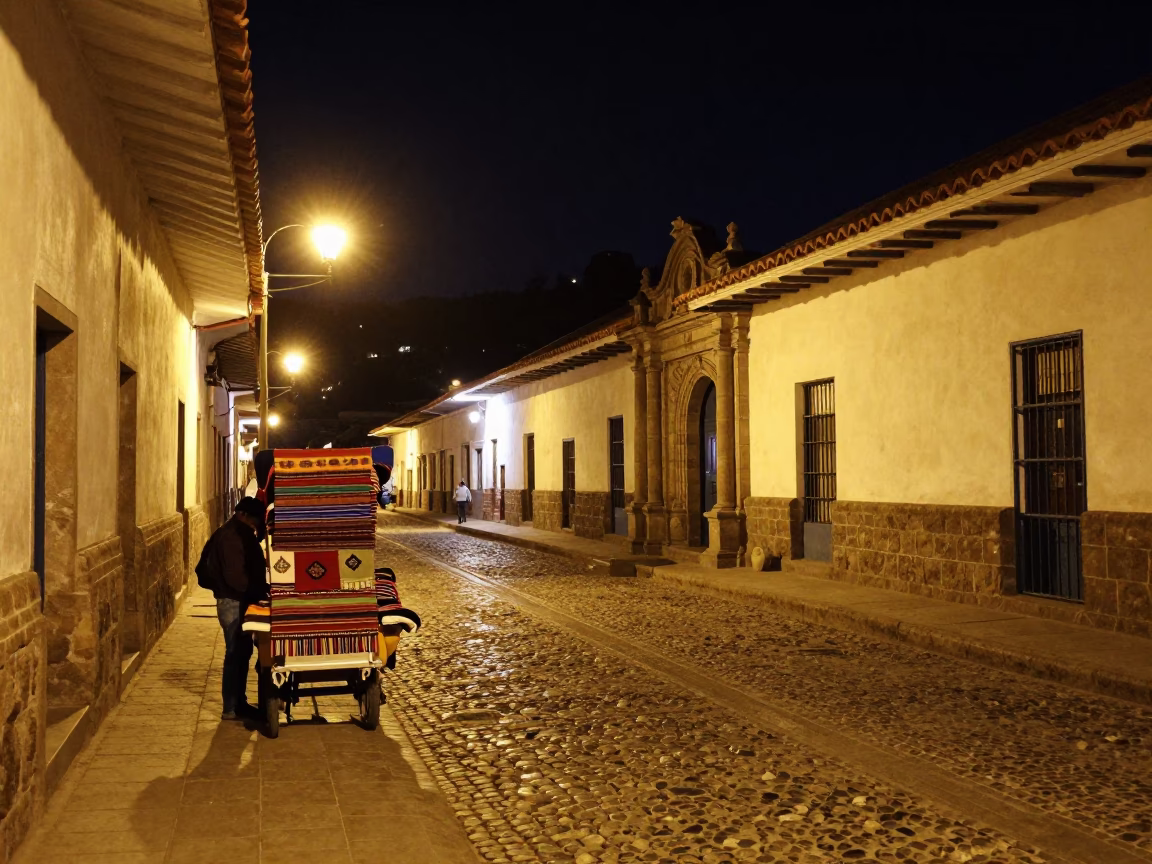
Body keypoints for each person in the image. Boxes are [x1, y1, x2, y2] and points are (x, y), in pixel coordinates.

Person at [196, 497, 268, 719]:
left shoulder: (238, 533)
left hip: (237, 599)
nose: (256, 526)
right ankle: (231, 706)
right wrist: (258, 591)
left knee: (241, 652)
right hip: (234, 601)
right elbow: (236, 578)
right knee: (235, 652)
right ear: (243, 515)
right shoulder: (231, 537)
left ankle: (238, 703)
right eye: (254, 521)